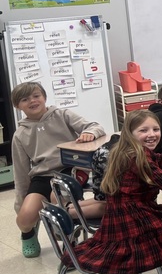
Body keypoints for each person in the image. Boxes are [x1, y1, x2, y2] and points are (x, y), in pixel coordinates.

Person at [69, 110, 162, 274]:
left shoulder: (125, 149)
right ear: (130, 133)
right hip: (135, 218)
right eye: (143, 130)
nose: (151, 134)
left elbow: (158, 158)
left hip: (117, 215)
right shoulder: (139, 158)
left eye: (155, 129)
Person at [11, 82, 106, 258]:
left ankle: (69, 241)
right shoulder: (19, 134)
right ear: (18, 106)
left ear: (44, 97)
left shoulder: (62, 115)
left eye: (36, 96)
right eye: (25, 99)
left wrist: (90, 133)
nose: (32, 101)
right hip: (42, 176)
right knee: (24, 219)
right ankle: (28, 234)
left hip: (70, 170)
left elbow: (96, 126)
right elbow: (21, 173)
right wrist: (21, 204)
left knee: (58, 198)